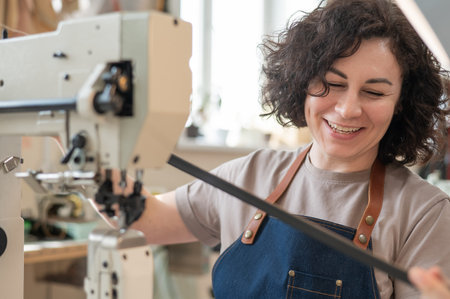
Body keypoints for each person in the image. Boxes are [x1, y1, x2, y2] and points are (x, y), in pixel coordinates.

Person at [99, 0, 450, 298]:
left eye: (374, 92)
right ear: (302, 82)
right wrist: (79, 142)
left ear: (402, 102)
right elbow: (142, 219)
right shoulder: (249, 175)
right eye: (331, 84)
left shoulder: (423, 213)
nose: (347, 109)